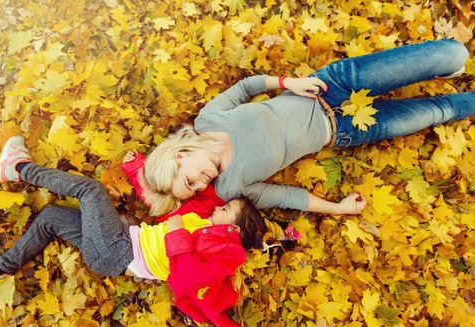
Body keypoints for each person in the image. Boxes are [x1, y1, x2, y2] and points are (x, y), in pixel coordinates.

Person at [0, 136, 292, 327]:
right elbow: (165, 197)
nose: (218, 207)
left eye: (225, 209)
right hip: (118, 245)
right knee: (52, 216)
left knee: (92, 192)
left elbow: (185, 281)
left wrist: (177, 237)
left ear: (232, 225)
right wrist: (136, 169)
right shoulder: (205, 222)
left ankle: (19, 168)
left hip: (118, 251)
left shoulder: (225, 249)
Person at [139, 39, 473, 217]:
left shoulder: (208, 121)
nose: (202, 184)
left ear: (182, 154)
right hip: (345, 128)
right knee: (435, 111)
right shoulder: (231, 188)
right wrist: (337, 208)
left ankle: (442, 66)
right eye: (196, 190)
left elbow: (244, 88)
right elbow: (286, 196)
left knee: (453, 53)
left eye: (190, 179)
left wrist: (289, 82)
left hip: (330, 85)